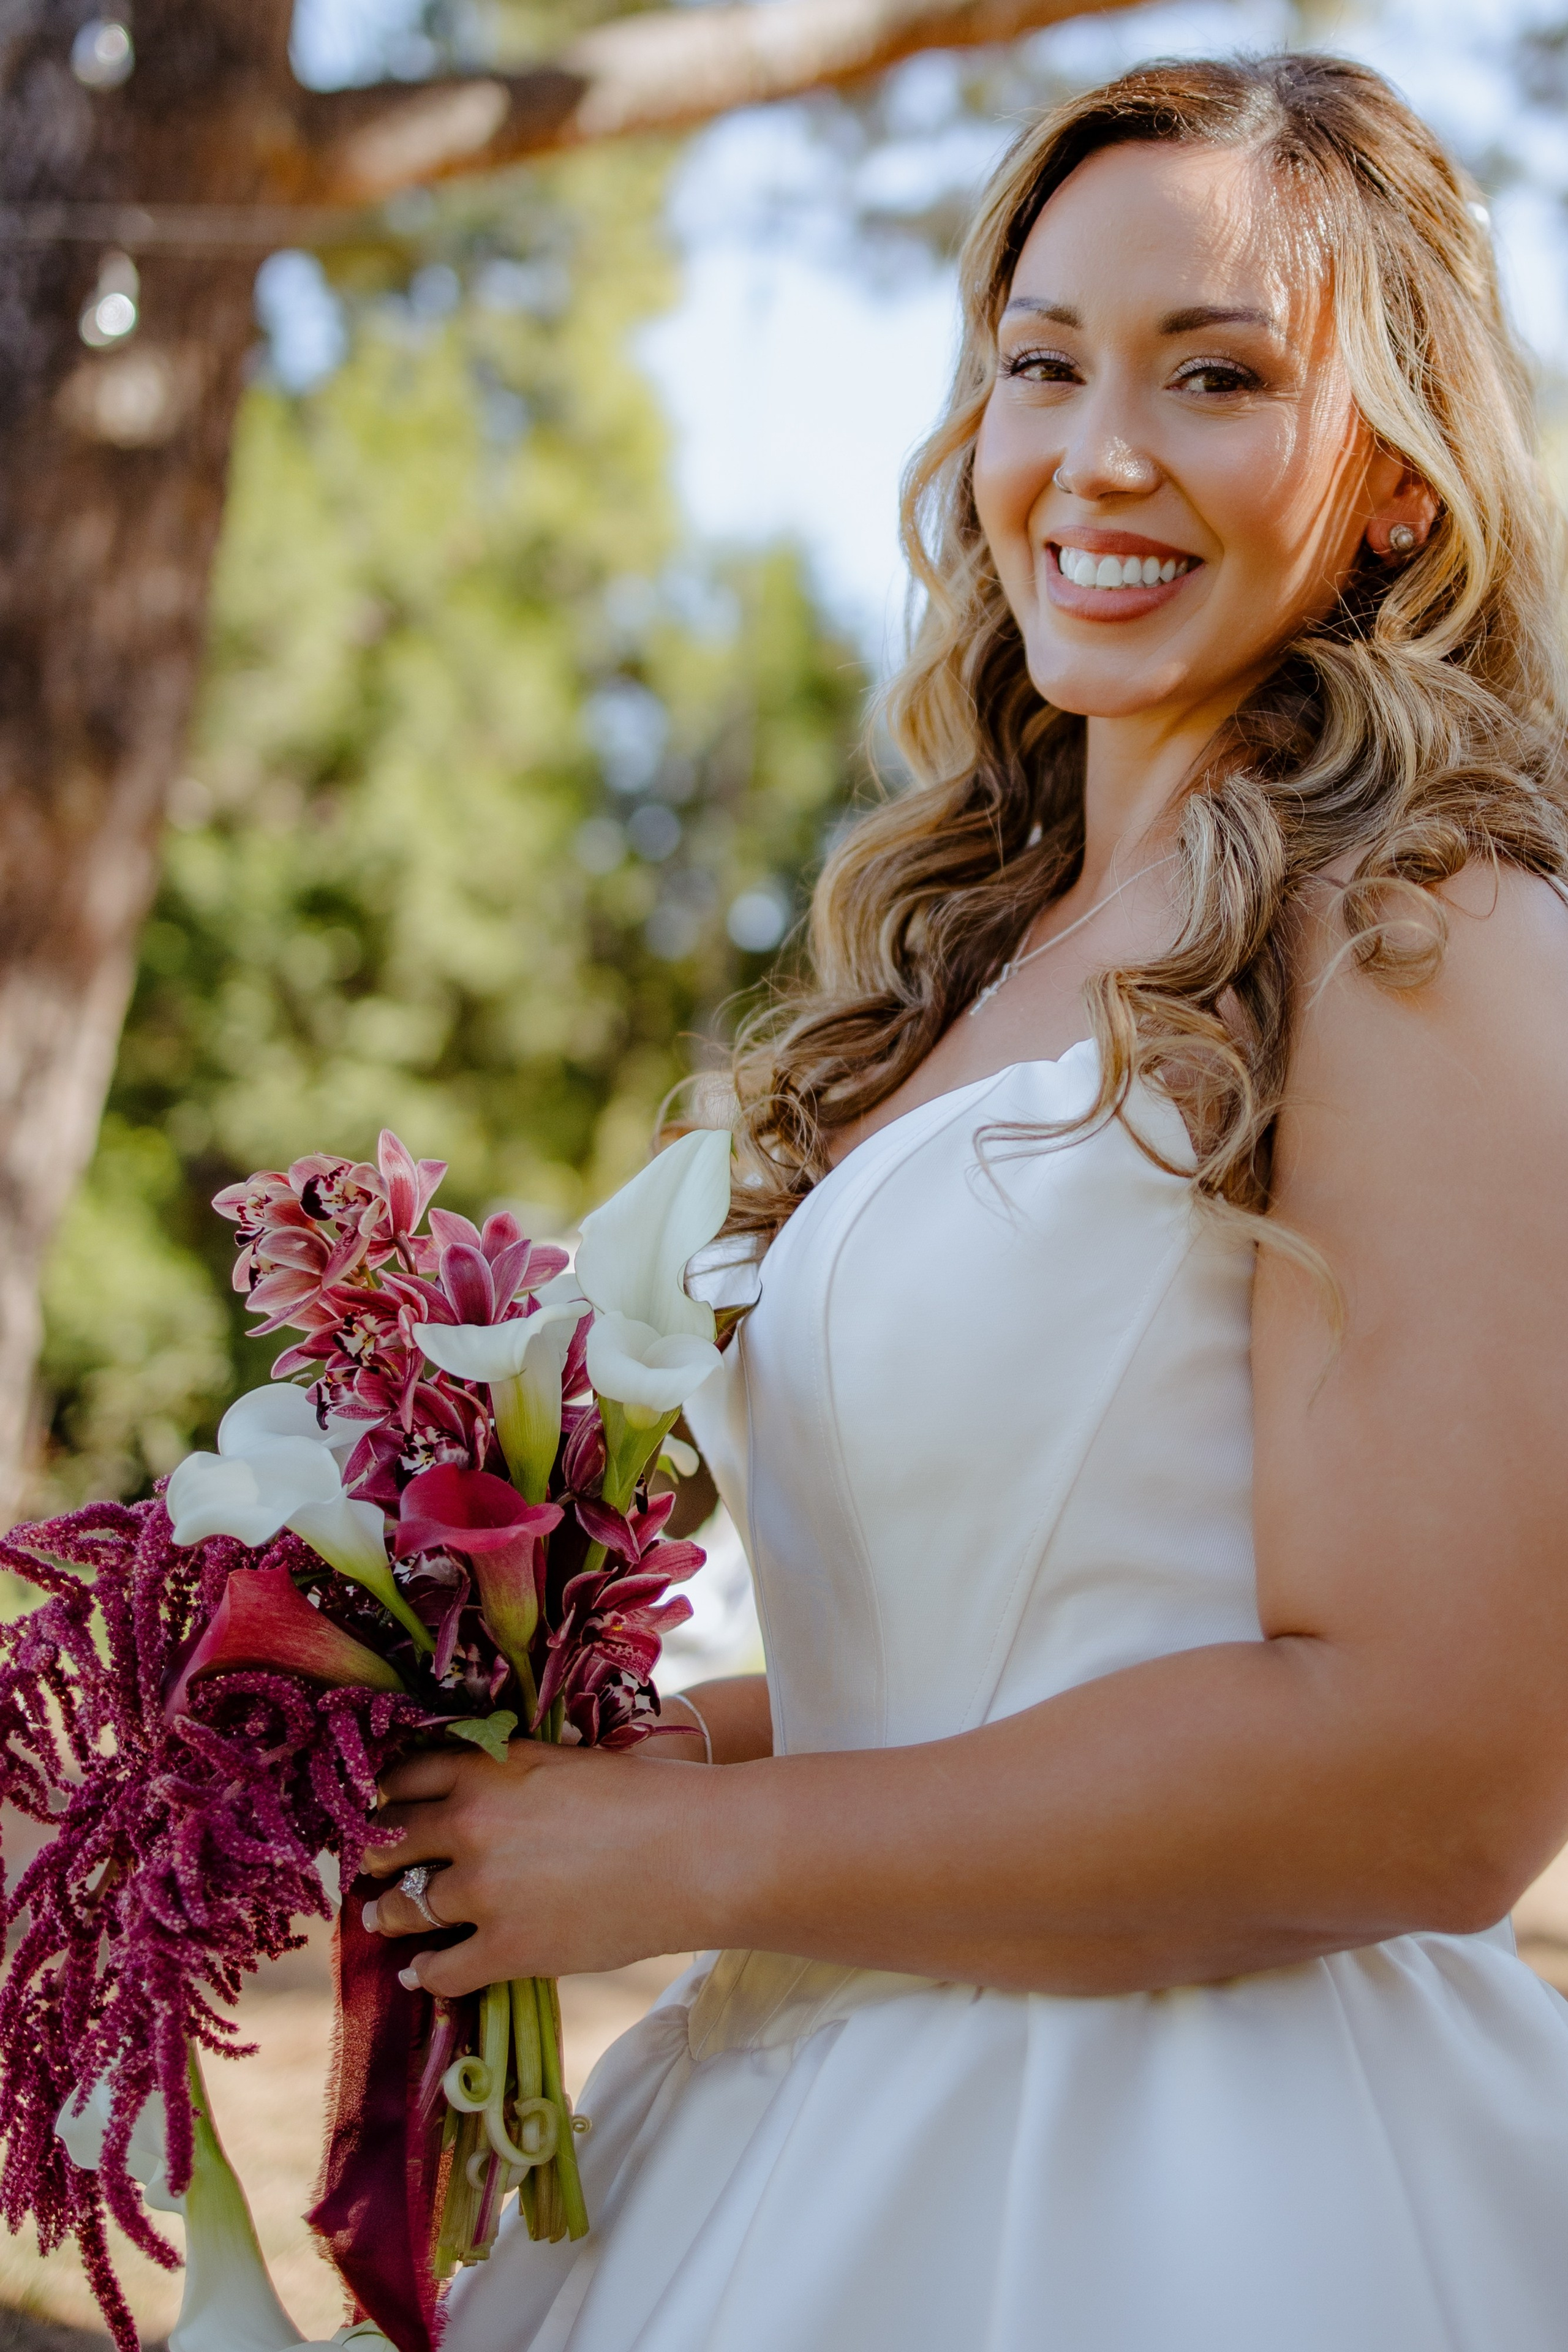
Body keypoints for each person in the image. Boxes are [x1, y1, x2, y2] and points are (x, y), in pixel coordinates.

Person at [362, 53, 1568, 2350]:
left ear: (1403, 481)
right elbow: (990, 1648)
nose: (1096, 455)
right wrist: (627, 1766)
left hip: (1197, 2176)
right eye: (1042, 364)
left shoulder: (1426, 941)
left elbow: (1432, 1775)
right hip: (793, 2111)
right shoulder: (978, 962)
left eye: (1215, 376)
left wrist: (696, 1855)